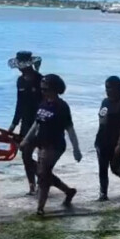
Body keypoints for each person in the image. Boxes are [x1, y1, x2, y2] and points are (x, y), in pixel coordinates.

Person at [21, 74, 83, 216]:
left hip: (55, 145)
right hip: (42, 143)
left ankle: (40, 208)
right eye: (42, 89)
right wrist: (25, 140)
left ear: (55, 89)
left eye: (46, 89)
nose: (43, 92)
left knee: (42, 174)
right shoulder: (43, 104)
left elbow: (70, 129)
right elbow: (36, 125)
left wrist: (76, 150)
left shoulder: (62, 107)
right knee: (43, 172)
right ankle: (68, 191)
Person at [7, 51, 43, 196]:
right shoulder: (20, 81)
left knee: (41, 154)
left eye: (22, 65)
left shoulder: (41, 80)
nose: (20, 68)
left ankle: (43, 181)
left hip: (40, 122)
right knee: (25, 155)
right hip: (26, 122)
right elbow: (19, 104)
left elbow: (45, 103)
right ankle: (32, 185)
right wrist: (13, 124)